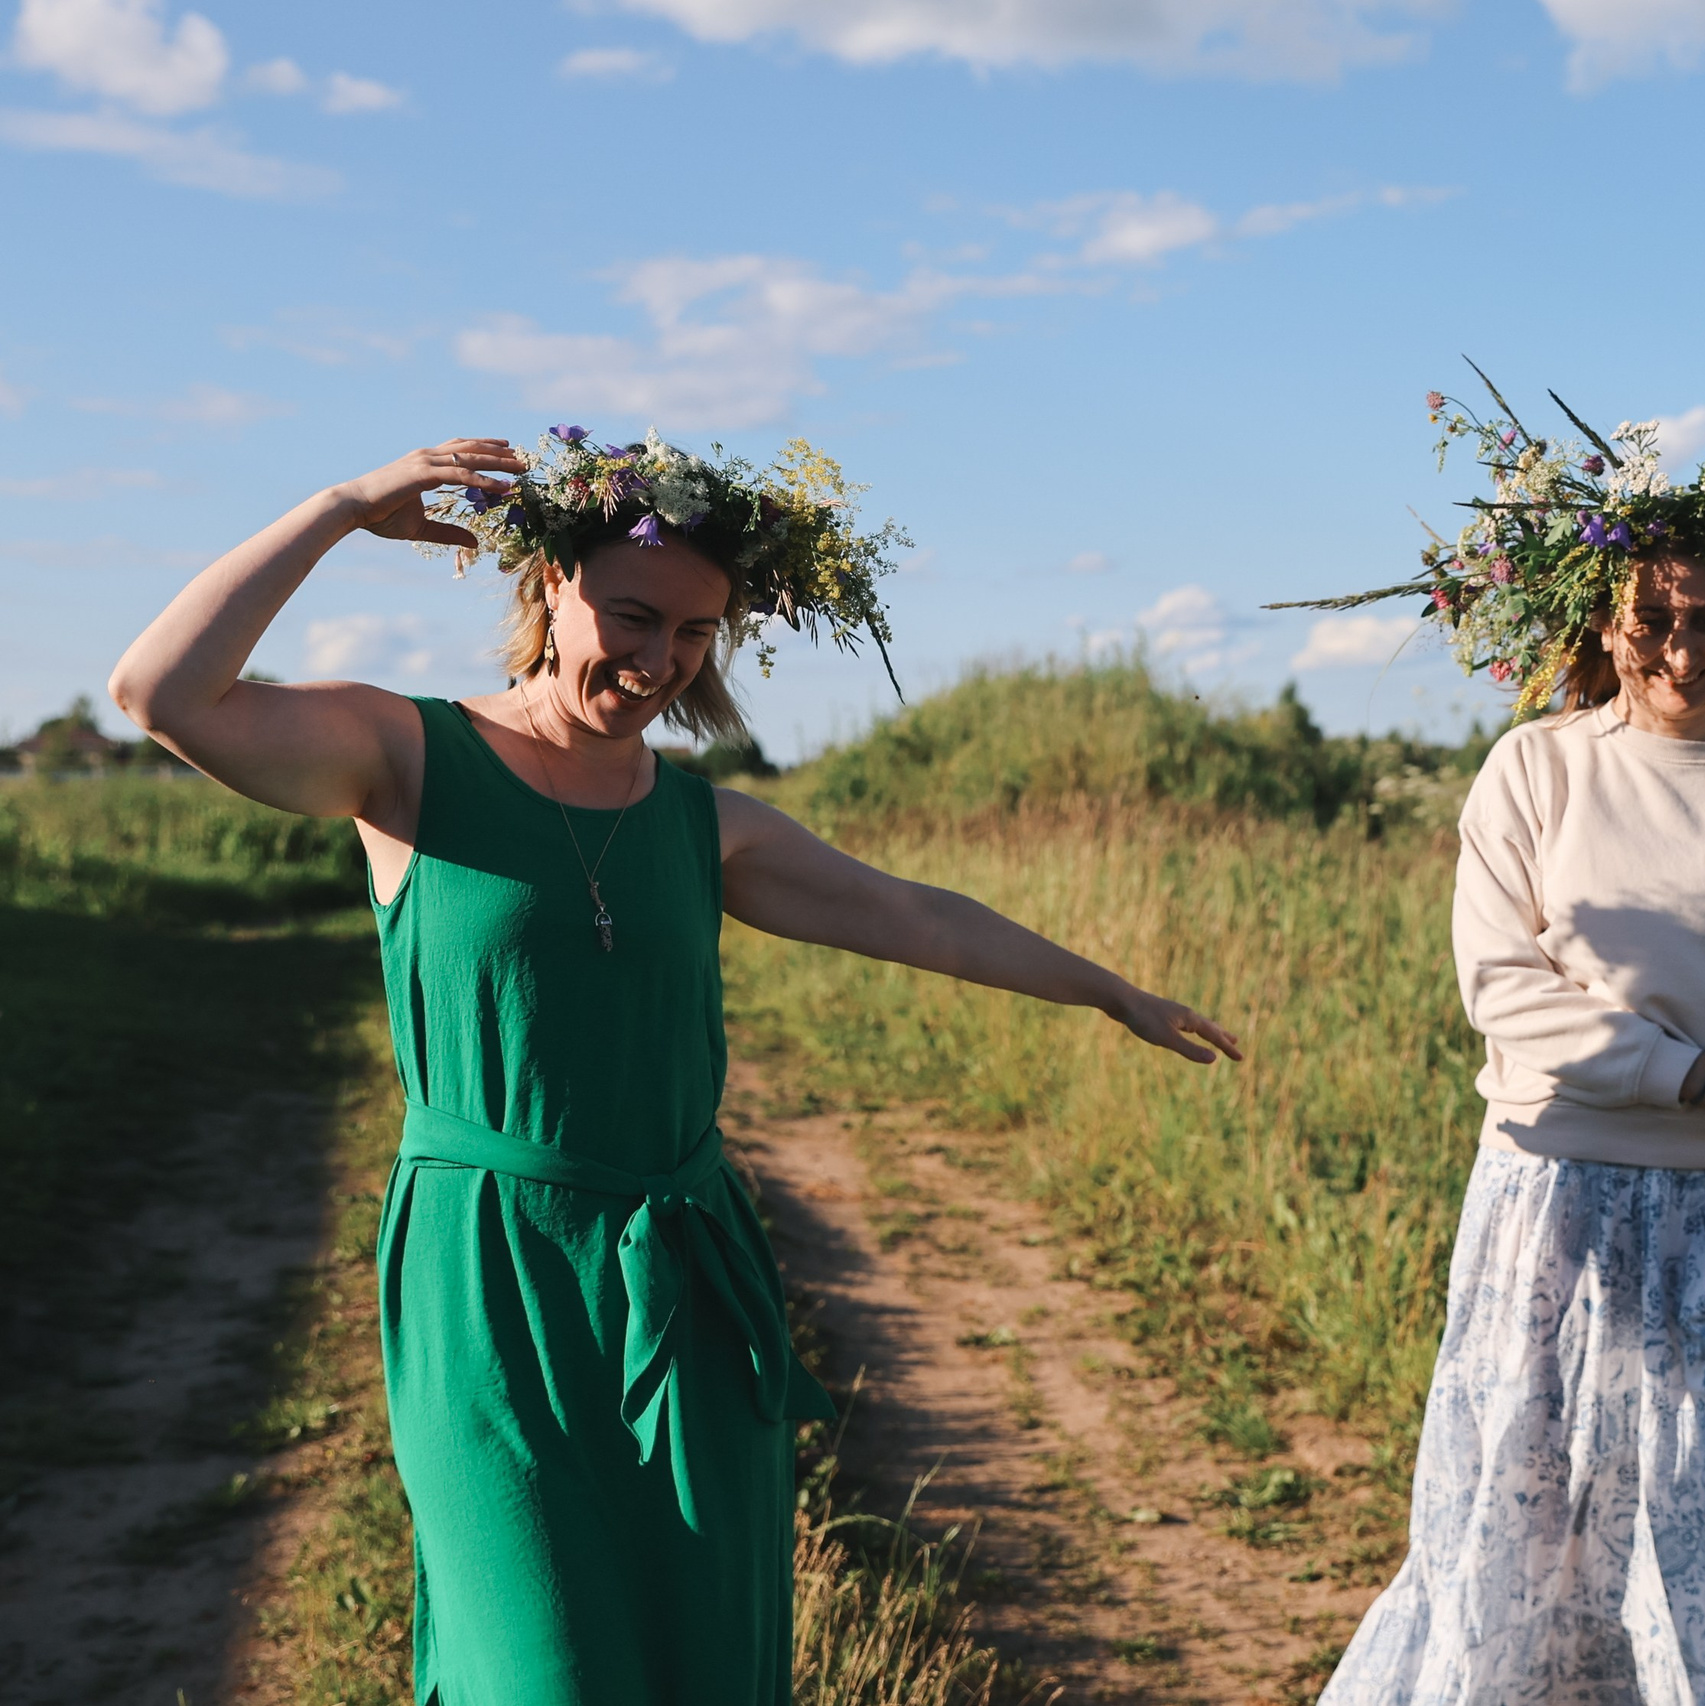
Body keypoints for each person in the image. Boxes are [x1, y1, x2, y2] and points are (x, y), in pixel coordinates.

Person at [110, 430, 1239, 1706]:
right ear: (549, 587)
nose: (657, 661)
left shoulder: (707, 821)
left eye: (696, 633)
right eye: (633, 614)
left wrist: (1109, 989)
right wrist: (340, 506)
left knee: (702, 1655)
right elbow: (161, 692)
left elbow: (919, 915)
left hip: (681, 1265)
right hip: (492, 1275)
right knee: (546, 1668)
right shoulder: (408, 760)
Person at [1285, 389, 1705, 1702]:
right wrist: (1689, 1073)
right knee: (1545, 1519)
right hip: (1567, 1198)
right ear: (1603, 625)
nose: (1680, 645)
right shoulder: (1536, 770)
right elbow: (1503, 987)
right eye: (1651, 617)